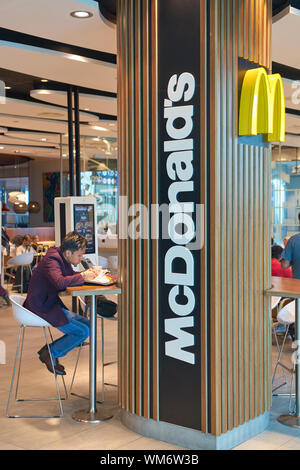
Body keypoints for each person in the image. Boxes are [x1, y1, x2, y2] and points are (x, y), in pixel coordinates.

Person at [24, 231, 98, 375]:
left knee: (89, 324)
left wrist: (87, 275)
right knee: (83, 331)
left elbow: (67, 277)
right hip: (40, 306)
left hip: (49, 303)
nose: (81, 258)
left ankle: (50, 351)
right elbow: (59, 283)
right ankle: (50, 352)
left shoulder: (61, 257)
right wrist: (83, 276)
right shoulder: (53, 259)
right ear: (69, 253)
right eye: (80, 255)